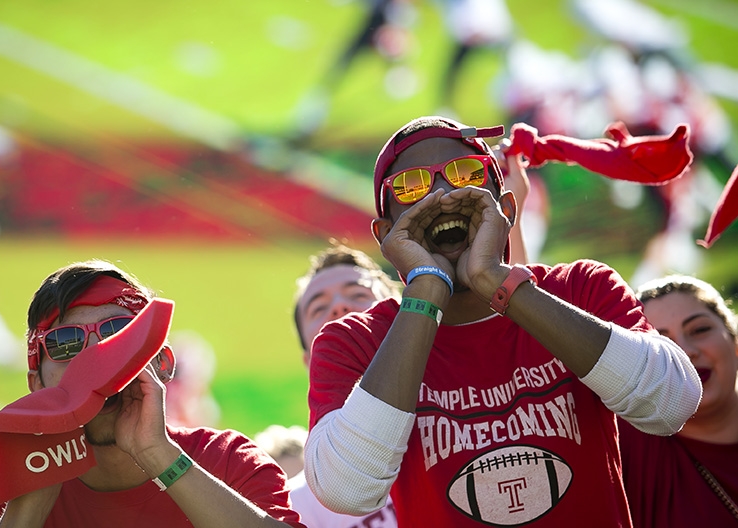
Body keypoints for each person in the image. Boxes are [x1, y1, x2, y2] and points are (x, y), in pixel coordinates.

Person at [303, 115, 702, 527]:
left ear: (506, 207)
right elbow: (345, 489)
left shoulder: (581, 288)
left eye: (466, 175)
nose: (442, 196)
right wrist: (426, 292)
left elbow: (671, 403)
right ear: (386, 234)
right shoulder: (354, 341)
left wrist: (497, 282)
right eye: (412, 186)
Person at [0, 259, 306, 527]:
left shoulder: (230, 463)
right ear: (36, 384)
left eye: (118, 336)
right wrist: (29, 508)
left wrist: (158, 455)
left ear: (163, 364)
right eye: (66, 344)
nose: (96, 363)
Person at [286, 242, 401, 527]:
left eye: (358, 294)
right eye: (319, 308)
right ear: (307, 360)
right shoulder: (298, 509)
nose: (339, 306)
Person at [619, 275, 738, 527]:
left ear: (734, 342)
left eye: (699, 330)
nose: (685, 351)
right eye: (662, 344)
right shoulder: (627, 447)